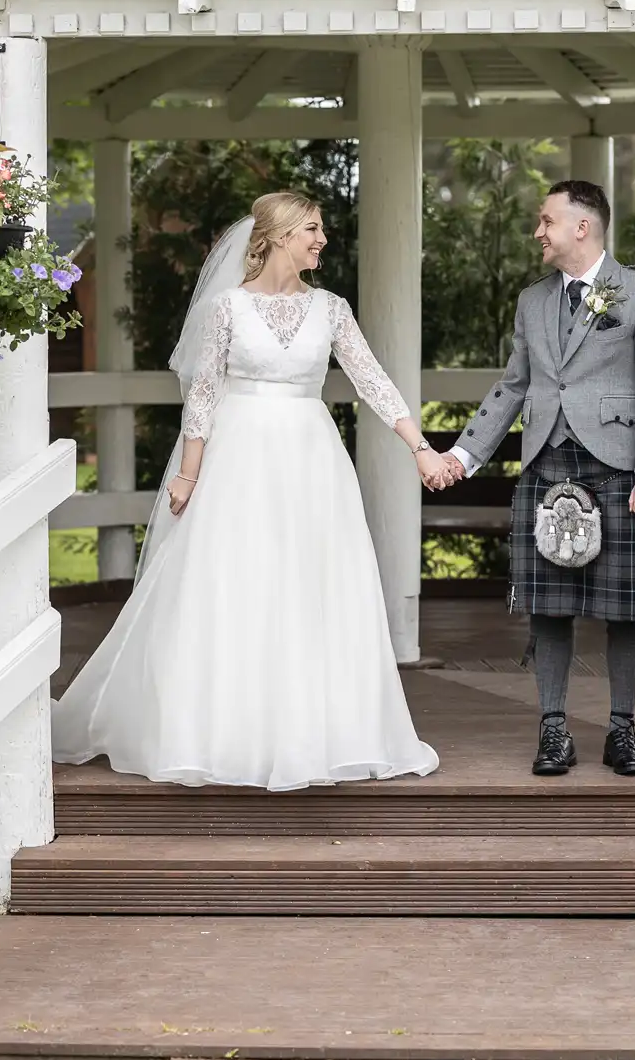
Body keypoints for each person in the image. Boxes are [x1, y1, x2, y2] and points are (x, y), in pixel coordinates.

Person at [51, 191, 450, 791]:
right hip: (238, 459)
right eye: (312, 229)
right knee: (234, 582)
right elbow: (205, 393)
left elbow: (372, 379)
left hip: (312, 461)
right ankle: (220, 730)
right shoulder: (228, 309)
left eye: (321, 230)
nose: (322, 240)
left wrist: (419, 447)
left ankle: (315, 730)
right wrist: (188, 473)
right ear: (280, 234)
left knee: (311, 585)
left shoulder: (332, 308)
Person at [432, 180, 635, 777]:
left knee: (627, 610)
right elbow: (514, 385)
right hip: (547, 463)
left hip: (619, 467)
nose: (537, 232)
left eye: (546, 221)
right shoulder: (533, 300)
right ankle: (553, 731)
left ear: (582, 227)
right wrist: (463, 456)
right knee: (549, 608)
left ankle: (622, 732)